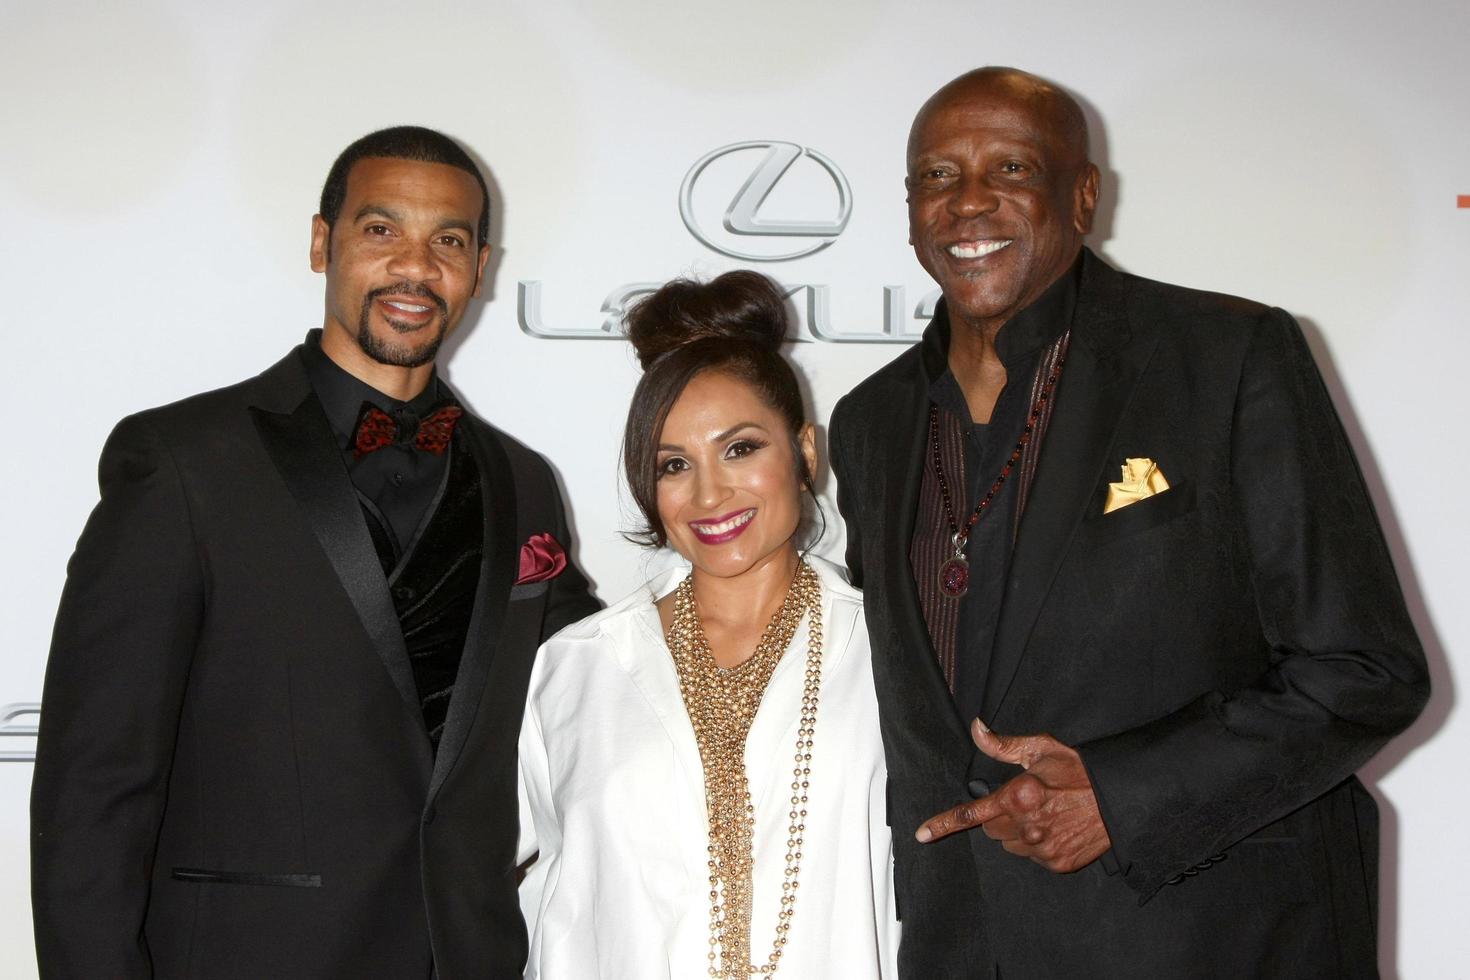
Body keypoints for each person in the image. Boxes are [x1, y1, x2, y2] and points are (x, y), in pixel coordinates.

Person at [829, 67, 1429, 979]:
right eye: (938, 177)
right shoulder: (871, 423)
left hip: (1204, 935)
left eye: (1013, 170)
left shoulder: (1226, 358)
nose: (969, 202)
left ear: (1083, 194)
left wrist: (1123, 796)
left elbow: (1365, 671)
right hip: (963, 945)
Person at [30, 126, 598, 979]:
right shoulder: (183, 463)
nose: (416, 266)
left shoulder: (523, 482)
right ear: (321, 243)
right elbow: (94, 790)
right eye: (381, 230)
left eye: (448, 240)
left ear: (481, 267)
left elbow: (601, 673)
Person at [516, 271, 899, 979]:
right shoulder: (576, 669)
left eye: (741, 448)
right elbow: (536, 899)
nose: (709, 493)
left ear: (806, 453)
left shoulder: (893, 657)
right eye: (673, 464)